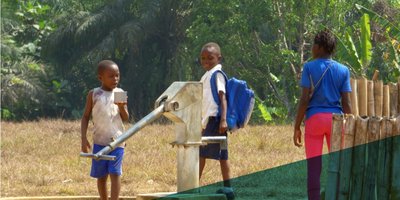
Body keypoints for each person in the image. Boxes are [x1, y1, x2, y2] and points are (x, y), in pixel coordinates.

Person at [293, 29, 352, 200]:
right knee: (337, 164)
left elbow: (304, 100)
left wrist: (297, 126)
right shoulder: (343, 70)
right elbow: (346, 102)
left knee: (314, 166)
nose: (312, 48)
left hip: (315, 119)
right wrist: (351, 123)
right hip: (336, 121)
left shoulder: (309, 67)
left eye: (313, 45)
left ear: (318, 47)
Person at [81, 60, 129, 200]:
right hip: (99, 141)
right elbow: (85, 117)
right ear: (100, 77)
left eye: (117, 75)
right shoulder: (94, 94)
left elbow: (126, 118)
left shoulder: (120, 93)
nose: (115, 79)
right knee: (101, 176)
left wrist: (121, 107)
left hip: (117, 141)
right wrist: (84, 139)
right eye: (111, 76)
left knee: (115, 173)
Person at [199, 42, 234, 199]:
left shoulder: (217, 74)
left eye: (210, 58)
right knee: (221, 155)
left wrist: (223, 120)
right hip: (209, 120)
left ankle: (193, 186)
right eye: (203, 58)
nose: (206, 61)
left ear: (219, 58)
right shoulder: (206, 75)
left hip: (217, 120)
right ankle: (229, 189)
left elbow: (223, 98)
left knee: (201, 154)